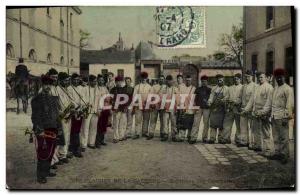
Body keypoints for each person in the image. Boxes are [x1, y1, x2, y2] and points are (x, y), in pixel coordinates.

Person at [31, 75, 61, 184]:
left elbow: (56, 114)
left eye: (49, 84)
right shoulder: (36, 99)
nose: (48, 86)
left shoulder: (52, 97)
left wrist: (59, 127)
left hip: (53, 128)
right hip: (43, 129)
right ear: (42, 85)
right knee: (43, 153)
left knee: (51, 151)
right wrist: (40, 129)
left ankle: (47, 170)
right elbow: (35, 117)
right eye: (45, 84)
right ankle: (41, 175)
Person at [243, 72, 273, 157]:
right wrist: (246, 109)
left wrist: (265, 112)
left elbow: (269, 102)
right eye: (259, 78)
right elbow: (251, 100)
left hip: (265, 112)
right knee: (256, 129)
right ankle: (258, 146)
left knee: (266, 131)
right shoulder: (256, 87)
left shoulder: (269, 87)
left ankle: (268, 149)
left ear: (266, 78)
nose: (260, 79)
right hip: (256, 112)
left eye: (261, 77)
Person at [270, 68, 294, 164]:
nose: (279, 79)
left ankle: (284, 155)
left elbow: (289, 105)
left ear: (284, 77)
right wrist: (271, 116)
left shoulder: (288, 89)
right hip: (274, 116)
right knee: (275, 136)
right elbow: (272, 103)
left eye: (281, 77)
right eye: (277, 78)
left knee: (284, 137)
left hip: (282, 117)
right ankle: (277, 152)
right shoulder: (275, 88)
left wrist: (286, 117)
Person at [221, 73, 243, 144]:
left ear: (240, 79)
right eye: (235, 79)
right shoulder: (230, 88)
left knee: (239, 125)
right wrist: (224, 99)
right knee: (227, 124)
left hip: (238, 108)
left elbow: (242, 98)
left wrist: (236, 101)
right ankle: (226, 138)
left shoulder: (242, 87)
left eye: (237, 79)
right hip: (230, 107)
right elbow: (227, 96)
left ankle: (238, 139)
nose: (236, 80)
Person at [56, 72, 73, 164]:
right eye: (65, 80)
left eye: (68, 80)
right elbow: (59, 104)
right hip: (62, 116)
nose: (67, 82)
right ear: (60, 81)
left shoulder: (66, 89)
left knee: (67, 135)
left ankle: (64, 153)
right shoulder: (57, 89)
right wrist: (63, 113)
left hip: (68, 115)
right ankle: (60, 155)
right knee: (62, 136)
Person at [189, 75, 211, 144]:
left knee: (206, 124)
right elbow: (194, 99)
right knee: (196, 123)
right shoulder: (198, 89)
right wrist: (194, 107)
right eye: (202, 81)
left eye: (205, 81)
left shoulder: (209, 90)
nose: (204, 83)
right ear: (201, 82)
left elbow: (211, 99)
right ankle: (193, 137)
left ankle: (205, 137)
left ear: (207, 82)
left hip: (206, 109)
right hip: (198, 108)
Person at [207, 74, 229, 144]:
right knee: (213, 123)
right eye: (218, 80)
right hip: (214, 107)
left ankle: (221, 138)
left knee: (221, 124)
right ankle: (212, 138)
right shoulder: (214, 88)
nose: (220, 81)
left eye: (221, 80)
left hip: (222, 108)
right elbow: (211, 96)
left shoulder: (226, 88)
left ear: (223, 80)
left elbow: (227, 97)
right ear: (217, 81)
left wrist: (224, 99)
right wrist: (209, 102)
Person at [239, 70, 257, 148]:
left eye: (249, 77)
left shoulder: (255, 86)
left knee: (252, 127)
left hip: (251, 109)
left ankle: (252, 143)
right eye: (246, 77)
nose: (247, 78)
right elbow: (241, 97)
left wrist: (249, 108)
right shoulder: (244, 86)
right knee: (243, 126)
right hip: (243, 108)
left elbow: (253, 99)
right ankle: (244, 141)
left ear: (252, 77)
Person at [132, 72, 152, 139]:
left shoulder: (149, 87)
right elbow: (134, 95)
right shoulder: (137, 86)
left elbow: (151, 96)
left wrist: (147, 102)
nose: (144, 79)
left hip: (147, 105)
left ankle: (145, 132)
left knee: (146, 119)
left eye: (145, 78)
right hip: (139, 105)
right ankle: (137, 133)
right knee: (138, 119)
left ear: (147, 79)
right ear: (141, 78)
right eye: (143, 78)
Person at [177, 75, 196, 142]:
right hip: (184, 107)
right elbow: (180, 97)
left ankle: (189, 136)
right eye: (187, 80)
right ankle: (181, 137)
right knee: (183, 122)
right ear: (185, 81)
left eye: (189, 80)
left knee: (190, 122)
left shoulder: (194, 88)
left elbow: (195, 99)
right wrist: (181, 106)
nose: (188, 82)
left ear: (191, 81)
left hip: (191, 108)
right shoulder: (182, 88)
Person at [147, 75, 166, 140]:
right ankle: (151, 133)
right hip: (155, 105)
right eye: (160, 79)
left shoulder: (166, 87)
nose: (161, 80)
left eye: (162, 79)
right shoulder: (154, 86)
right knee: (153, 120)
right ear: (158, 80)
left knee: (163, 120)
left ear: (164, 80)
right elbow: (150, 95)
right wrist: (151, 103)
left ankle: (162, 133)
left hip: (162, 106)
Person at [69, 74, 83, 158]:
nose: (76, 81)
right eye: (75, 79)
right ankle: (73, 149)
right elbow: (70, 100)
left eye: (78, 79)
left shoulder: (81, 88)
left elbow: (82, 99)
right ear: (72, 80)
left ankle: (76, 148)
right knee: (73, 130)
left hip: (79, 111)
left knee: (77, 130)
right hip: (73, 111)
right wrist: (75, 108)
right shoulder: (69, 89)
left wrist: (81, 108)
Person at [161, 75, 179, 142]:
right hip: (165, 108)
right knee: (165, 122)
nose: (169, 82)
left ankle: (173, 135)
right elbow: (161, 98)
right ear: (166, 81)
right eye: (168, 81)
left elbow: (178, 99)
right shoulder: (163, 89)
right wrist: (163, 106)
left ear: (172, 81)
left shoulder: (175, 89)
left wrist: (177, 108)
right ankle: (165, 135)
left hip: (173, 108)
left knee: (173, 122)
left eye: (170, 81)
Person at [110, 76, 127, 143]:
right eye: (117, 82)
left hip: (122, 109)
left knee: (122, 123)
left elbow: (126, 100)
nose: (119, 83)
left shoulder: (124, 90)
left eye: (120, 81)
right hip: (116, 109)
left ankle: (121, 136)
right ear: (115, 82)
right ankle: (115, 137)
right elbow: (111, 100)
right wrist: (114, 107)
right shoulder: (113, 90)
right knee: (116, 124)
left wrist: (125, 107)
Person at [95, 74, 110, 147]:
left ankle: (102, 140)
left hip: (105, 109)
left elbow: (108, 98)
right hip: (99, 109)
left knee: (104, 125)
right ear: (97, 80)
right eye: (100, 80)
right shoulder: (95, 88)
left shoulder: (105, 88)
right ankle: (97, 141)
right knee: (99, 126)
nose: (101, 81)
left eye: (102, 80)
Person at [87, 75, 99, 149]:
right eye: (93, 81)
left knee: (94, 128)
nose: (95, 83)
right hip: (88, 112)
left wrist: (98, 110)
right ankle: (84, 144)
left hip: (95, 112)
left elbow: (99, 101)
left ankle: (91, 143)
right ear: (90, 81)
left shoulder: (97, 89)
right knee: (85, 128)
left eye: (95, 81)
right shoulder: (86, 89)